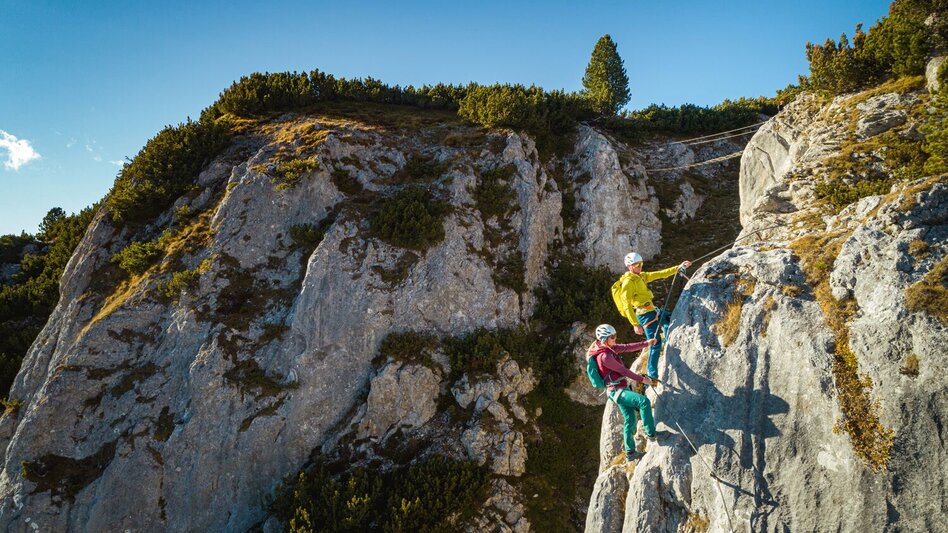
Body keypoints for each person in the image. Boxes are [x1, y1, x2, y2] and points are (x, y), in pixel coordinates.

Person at [611, 252, 691, 380]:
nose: (640, 266)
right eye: (636, 264)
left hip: (652, 310)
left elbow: (660, 274)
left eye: (641, 263)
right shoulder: (628, 283)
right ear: (629, 266)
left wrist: (678, 267)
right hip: (644, 315)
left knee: (669, 318)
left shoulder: (641, 276)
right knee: (654, 343)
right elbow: (626, 305)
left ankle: (667, 341)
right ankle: (652, 375)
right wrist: (635, 324)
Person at [588, 323, 659, 462]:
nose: (615, 339)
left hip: (619, 389)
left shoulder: (609, 348)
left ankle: (630, 453)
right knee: (643, 402)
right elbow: (623, 371)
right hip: (617, 391)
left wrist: (647, 343)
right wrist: (642, 380)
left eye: (615, 336)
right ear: (604, 339)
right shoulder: (604, 357)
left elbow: (627, 347)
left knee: (630, 420)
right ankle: (651, 434)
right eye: (612, 337)